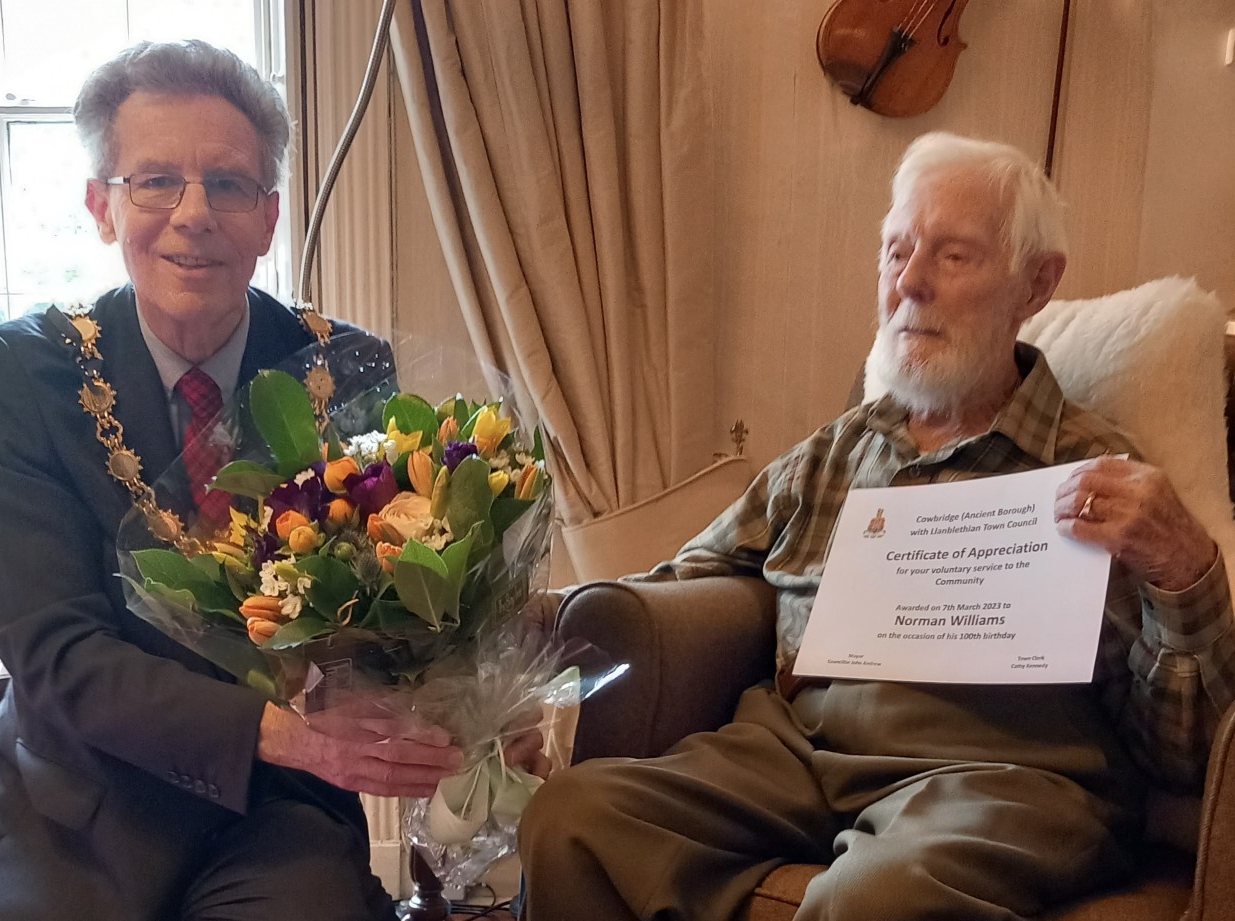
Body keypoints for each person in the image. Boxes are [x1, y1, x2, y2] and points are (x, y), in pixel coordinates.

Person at [518, 132, 1235, 920]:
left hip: (1003, 778)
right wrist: (533, 671)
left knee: (874, 898)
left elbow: (1184, 751)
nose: (911, 283)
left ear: (1036, 283)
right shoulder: (835, 453)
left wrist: (1187, 570)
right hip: (796, 752)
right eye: (896, 252)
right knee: (574, 817)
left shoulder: (1099, 470)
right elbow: (684, 577)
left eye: (954, 256)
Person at [0, 40, 541, 920]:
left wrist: (471, 701)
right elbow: (52, 647)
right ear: (101, 205)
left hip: (278, 813)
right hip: (73, 798)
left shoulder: (338, 366)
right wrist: (285, 733)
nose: (194, 213)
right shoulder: (16, 370)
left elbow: (382, 608)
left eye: (227, 183)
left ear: (268, 218)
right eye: (155, 180)